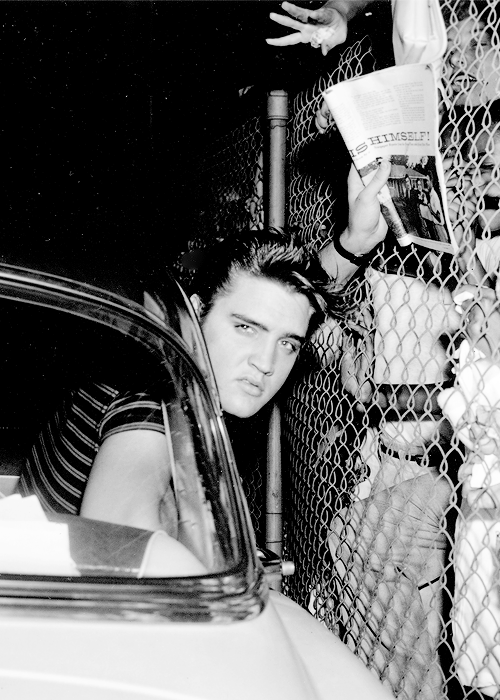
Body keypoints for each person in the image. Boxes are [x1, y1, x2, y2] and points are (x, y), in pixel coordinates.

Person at [18, 162, 392, 534]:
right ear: (196, 312)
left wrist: (354, 243)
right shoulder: (155, 392)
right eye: (245, 328)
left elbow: (289, 308)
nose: (266, 362)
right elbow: (117, 535)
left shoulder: (165, 348)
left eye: (287, 344)